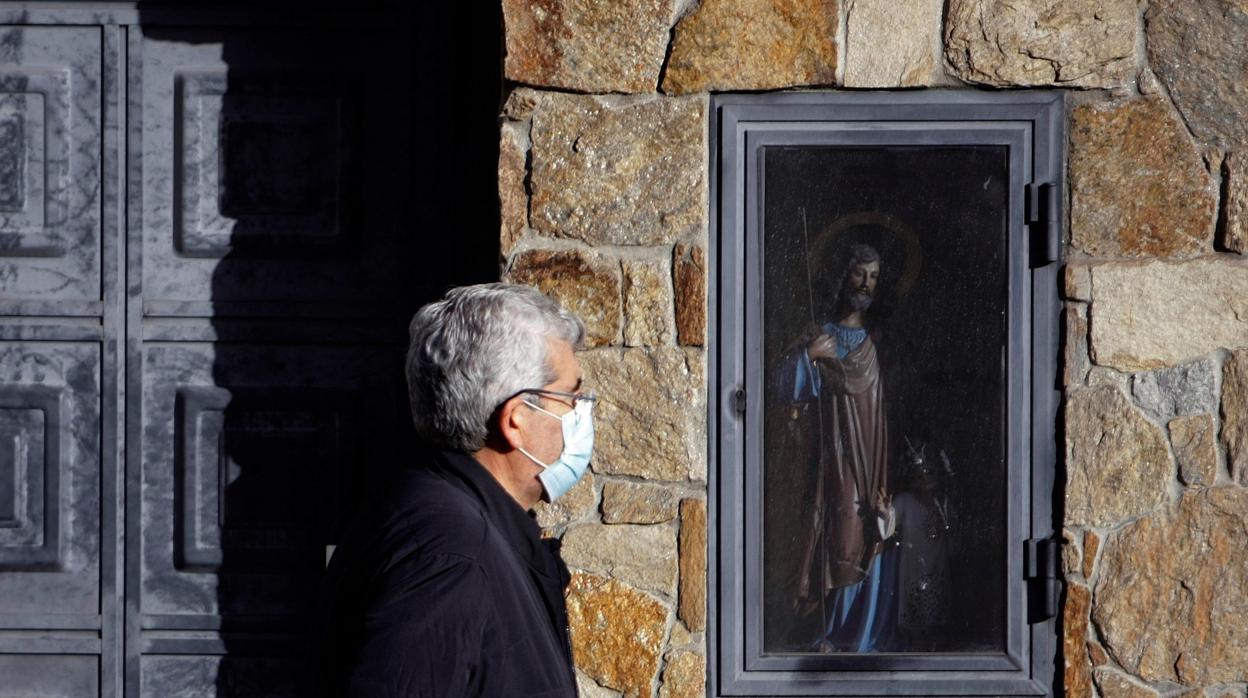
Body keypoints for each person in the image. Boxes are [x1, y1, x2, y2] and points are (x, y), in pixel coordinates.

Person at [307, 283, 592, 696]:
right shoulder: (448, 555)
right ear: (516, 420)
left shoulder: (458, 524)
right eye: (570, 396)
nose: (582, 411)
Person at [781, 243, 896, 652]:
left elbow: (896, 399)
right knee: (840, 531)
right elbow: (783, 394)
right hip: (833, 456)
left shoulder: (880, 340)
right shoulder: (819, 334)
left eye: (875, 276)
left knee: (872, 524)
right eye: (860, 273)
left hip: (874, 454)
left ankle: (864, 635)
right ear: (843, 275)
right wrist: (808, 357)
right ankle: (832, 633)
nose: (866, 284)